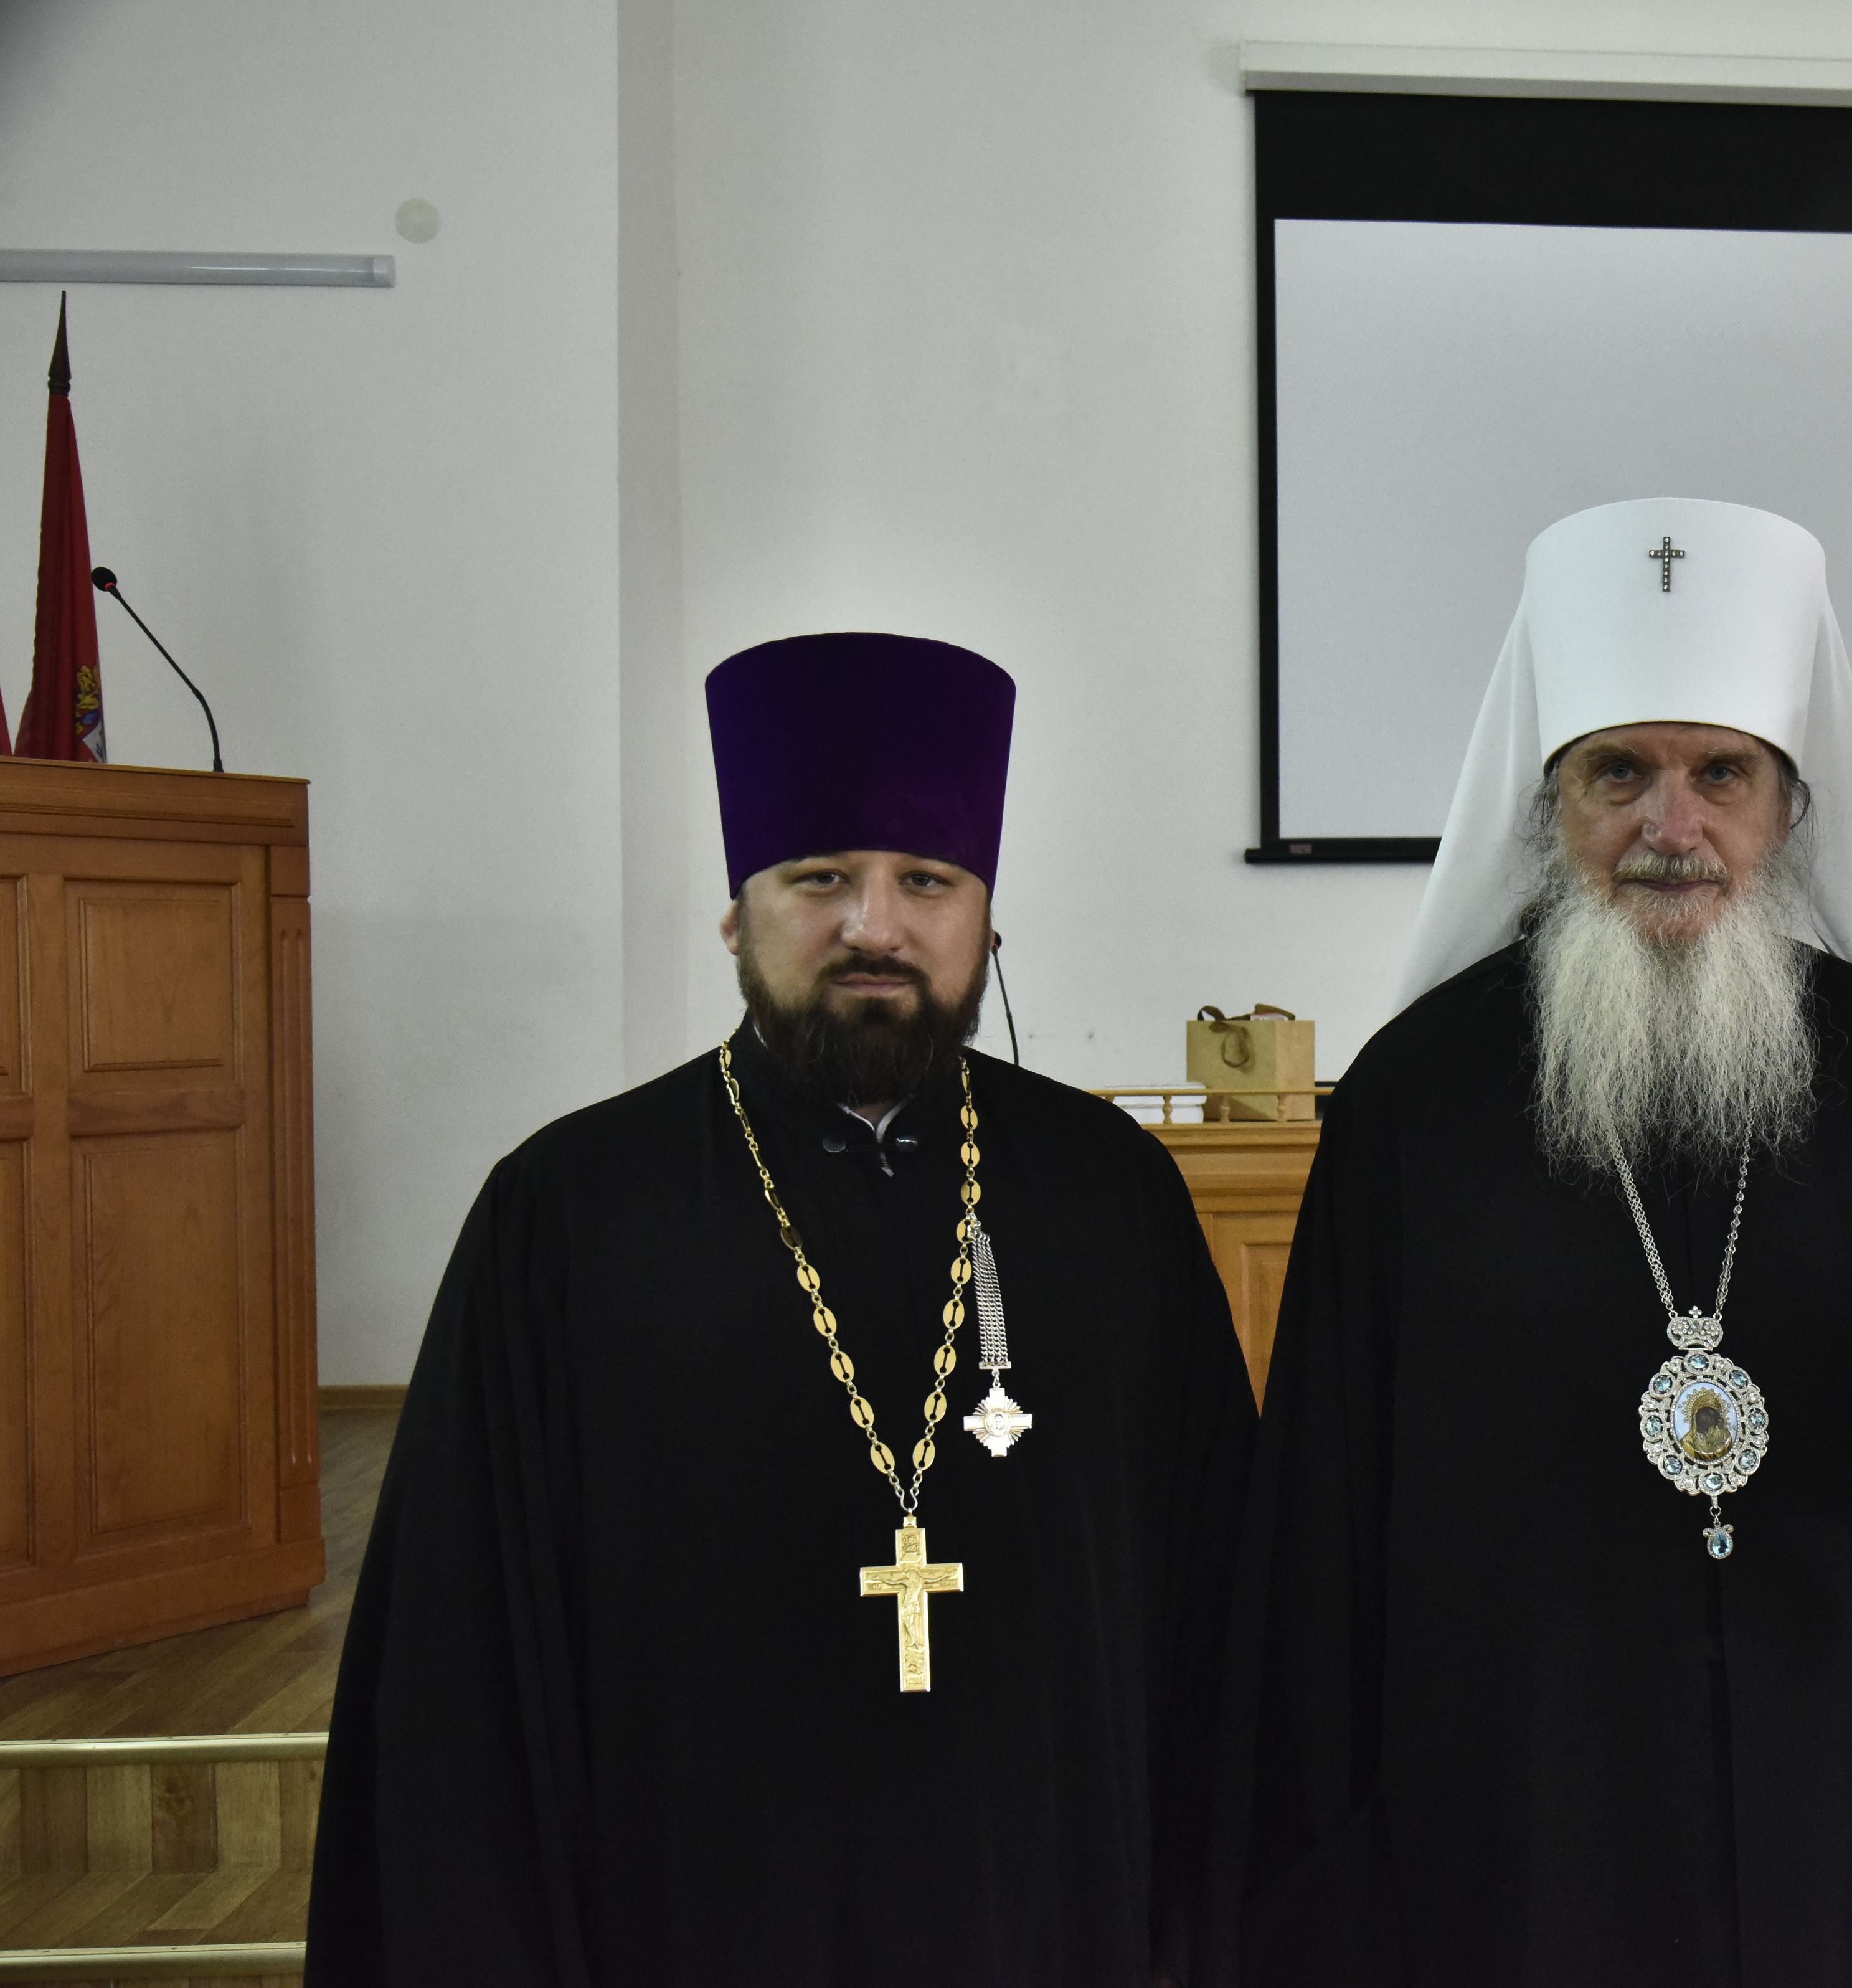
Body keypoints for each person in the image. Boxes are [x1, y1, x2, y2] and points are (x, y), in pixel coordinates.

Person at [308, 633, 1257, 1986]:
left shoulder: (1113, 1193)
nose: (875, 925)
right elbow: (460, 1671)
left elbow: (1218, 1617)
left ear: (985, 920)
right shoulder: (568, 1211)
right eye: (820, 878)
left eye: (925, 881)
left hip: (1046, 1907)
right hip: (694, 1914)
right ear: (734, 917)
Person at [1217, 498, 1852, 1987]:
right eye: (1617, 772)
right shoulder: (1418, 1096)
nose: (1670, 829)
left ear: (1786, 811)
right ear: (1549, 806)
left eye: (1721, 776)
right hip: (1514, 1809)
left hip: (1840, 1799)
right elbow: (1324, 1509)